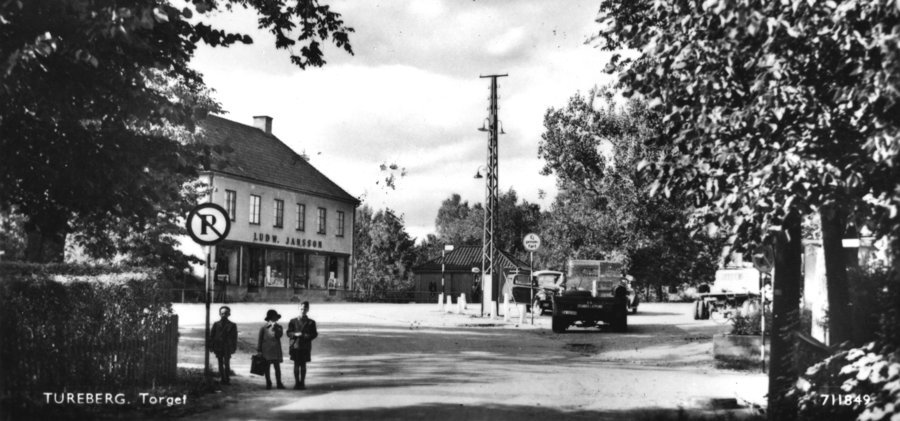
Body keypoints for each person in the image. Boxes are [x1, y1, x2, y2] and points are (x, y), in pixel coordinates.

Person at [286, 301, 318, 390]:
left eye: (305, 309)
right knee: (296, 364)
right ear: (299, 308)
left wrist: (307, 336)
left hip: (305, 346)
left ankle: (302, 383)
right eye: (301, 308)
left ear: (308, 309)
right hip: (295, 346)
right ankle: (297, 383)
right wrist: (295, 334)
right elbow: (288, 333)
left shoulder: (311, 322)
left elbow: (314, 334)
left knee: (303, 365)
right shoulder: (293, 321)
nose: (303, 310)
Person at [257, 309, 285, 390]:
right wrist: (259, 350)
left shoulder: (279, 327)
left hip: (276, 350)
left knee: (277, 367)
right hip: (266, 351)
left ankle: (279, 383)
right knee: (267, 368)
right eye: (273, 317)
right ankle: (268, 383)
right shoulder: (263, 328)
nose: (275, 319)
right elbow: (260, 340)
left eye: (276, 318)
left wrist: (275, 327)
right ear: (269, 318)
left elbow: (279, 335)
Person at [209, 306, 237, 384]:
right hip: (218, 346)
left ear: (229, 314)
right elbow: (212, 336)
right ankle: (222, 379)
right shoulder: (216, 324)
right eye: (222, 313)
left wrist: (234, 348)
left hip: (227, 347)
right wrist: (211, 346)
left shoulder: (232, 325)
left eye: (226, 313)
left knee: (227, 363)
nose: (224, 315)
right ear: (219, 314)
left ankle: (227, 379)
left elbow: (234, 338)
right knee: (220, 363)